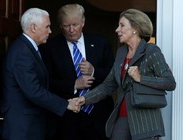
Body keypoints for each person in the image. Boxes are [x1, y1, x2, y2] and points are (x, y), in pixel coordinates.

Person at [75, 9, 176, 140]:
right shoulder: (121, 52)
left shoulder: (151, 51)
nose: (117, 30)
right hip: (122, 117)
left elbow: (170, 82)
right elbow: (108, 85)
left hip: (145, 122)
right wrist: (84, 99)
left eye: (122, 25)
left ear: (135, 28)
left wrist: (141, 78)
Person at [0, 8, 80, 140]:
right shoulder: (22, 53)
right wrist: (65, 104)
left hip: (29, 125)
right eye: (47, 27)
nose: (50, 31)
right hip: (22, 128)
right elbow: (33, 90)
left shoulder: (28, 48)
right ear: (33, 27)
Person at [39, 3, 115, 140]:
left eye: (75, 24)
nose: (71, 30)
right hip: (66, 118)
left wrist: (94, 71)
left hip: (99, 114)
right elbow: (46, 82)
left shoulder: (100, 43)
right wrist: (74, 84)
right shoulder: (50, 47)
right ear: (61, 26)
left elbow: (114, 77)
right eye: (66, 26)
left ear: (83, 22)